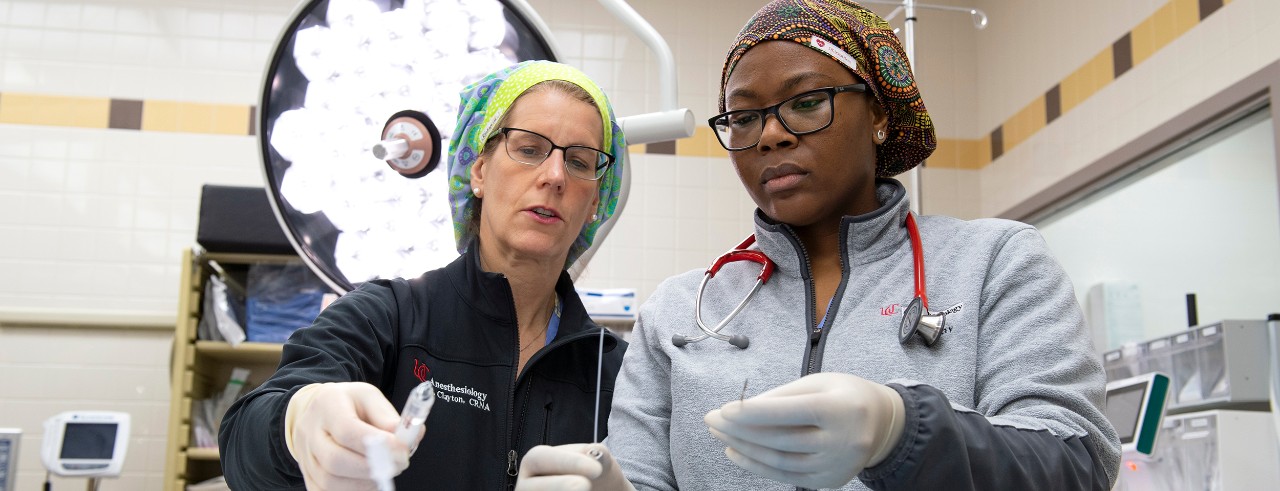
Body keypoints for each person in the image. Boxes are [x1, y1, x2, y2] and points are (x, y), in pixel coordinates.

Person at [514, 1, 1121, 490]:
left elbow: (1077, 466)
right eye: (744, 119)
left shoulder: (994, 265)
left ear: (879, 114)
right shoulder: (680, 312)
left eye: (807, 103)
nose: (771, 134)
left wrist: (902, 431)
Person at [219, 60, 629, 490]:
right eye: (529, 149)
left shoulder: (615, 372)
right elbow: (241, 447)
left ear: (596, 201)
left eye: (580, 162)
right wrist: (297, 420)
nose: (555, 175)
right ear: (479, 170)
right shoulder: (387, 318)